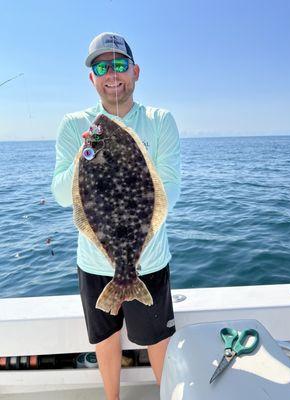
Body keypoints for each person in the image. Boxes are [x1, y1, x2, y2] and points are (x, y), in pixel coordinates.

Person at [51, 32, 181, 400]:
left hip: (149, 260)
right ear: (91, 77)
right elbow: (62, 196)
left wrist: (138, 179)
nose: (112, 74)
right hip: (94, 261)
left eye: (120, 65)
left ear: (136, 72)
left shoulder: (159, 121)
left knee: (157, 339)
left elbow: (172, 190)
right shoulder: (76, 126)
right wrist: (85, 152)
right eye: (102, 66)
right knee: (106, 341)